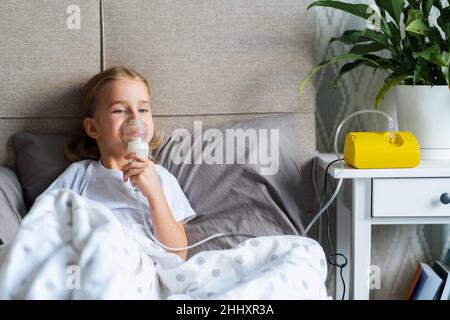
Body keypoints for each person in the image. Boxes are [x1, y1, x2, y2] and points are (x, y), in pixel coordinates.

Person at [44, 66, 195, 260]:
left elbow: (178, 254)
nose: (135, 118)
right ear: (92, 128)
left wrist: (154, 194)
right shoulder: (79, 176)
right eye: (120, 110)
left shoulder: (162, 179)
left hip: (141, 269)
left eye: (142, 109)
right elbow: (42, 227)